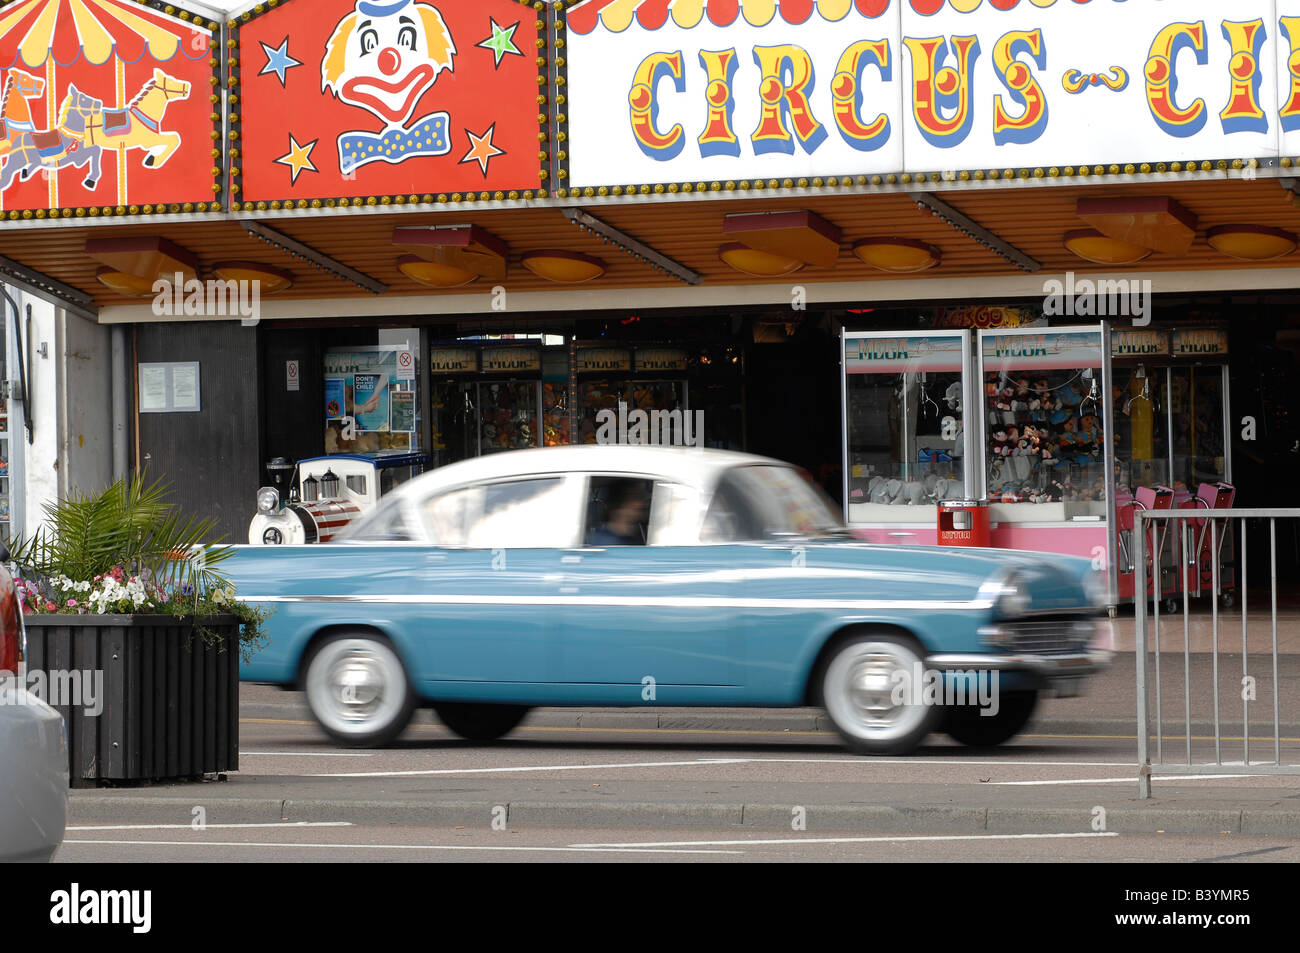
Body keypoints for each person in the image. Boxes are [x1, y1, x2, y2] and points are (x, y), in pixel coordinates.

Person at [588, 482, 649, 546]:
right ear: (618, 503)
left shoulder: (634, 537)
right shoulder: (602, 541)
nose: (641, 504)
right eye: (634, 498)